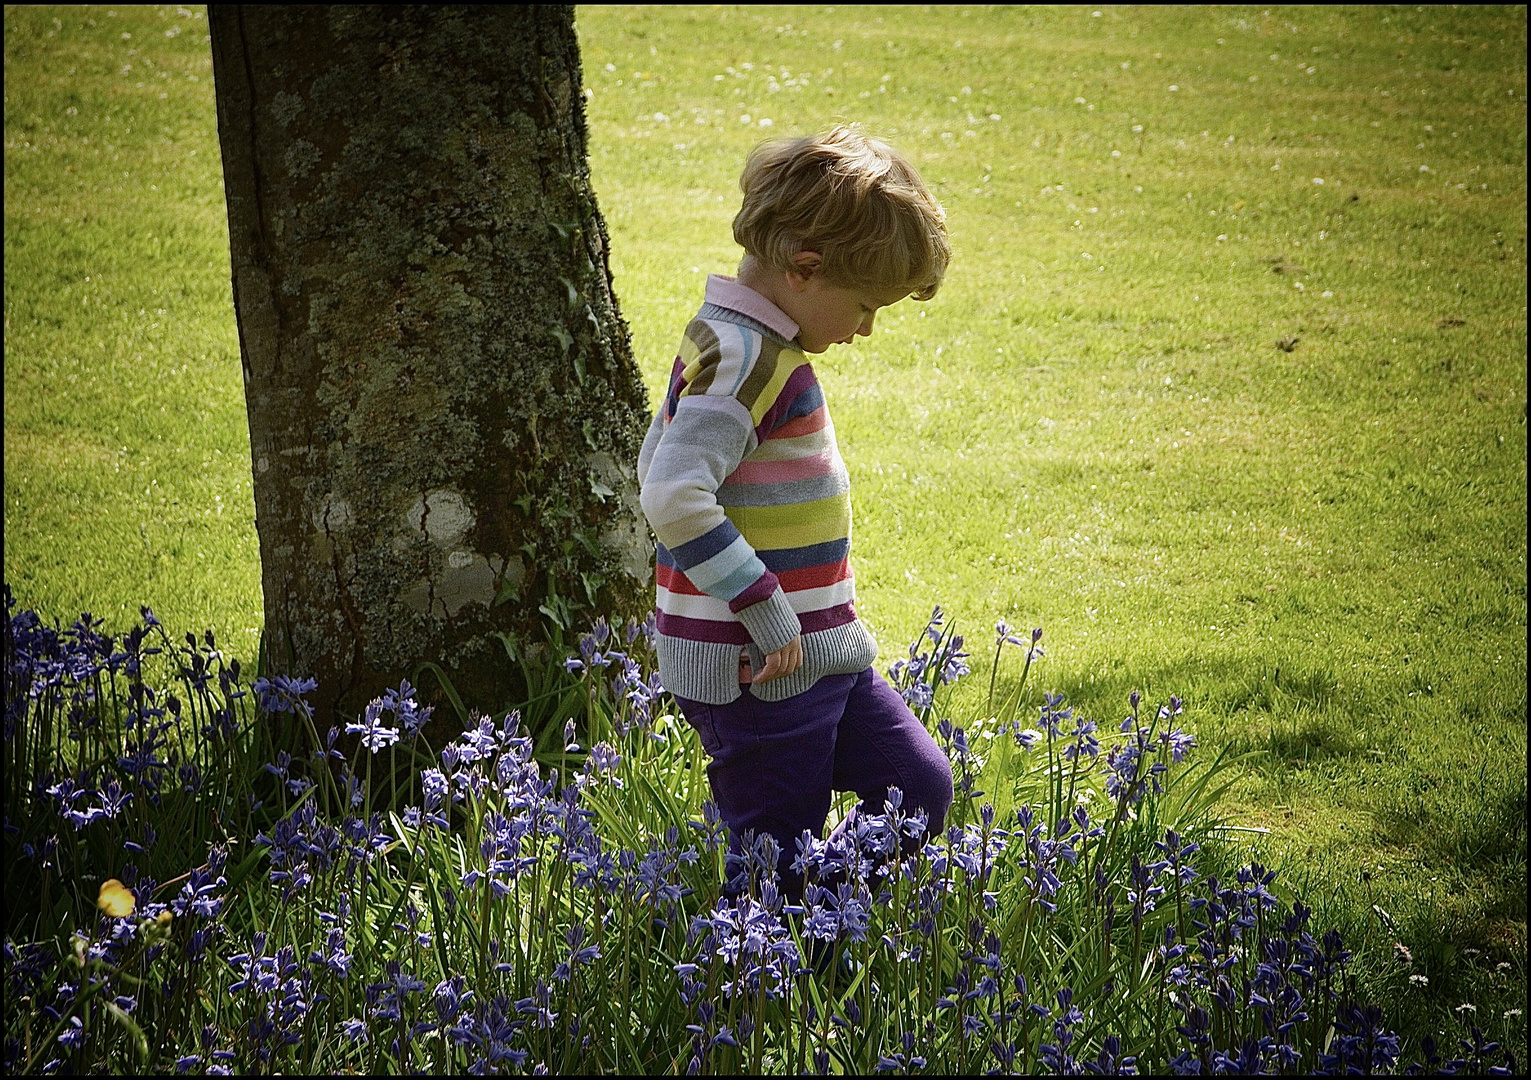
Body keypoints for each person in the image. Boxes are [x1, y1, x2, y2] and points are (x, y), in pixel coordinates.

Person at [636, 124, 954, 901]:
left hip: (819, 653)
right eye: (865, 305)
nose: (866, 328)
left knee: (914, 786)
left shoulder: (748, 345)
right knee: (775, 853)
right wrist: (763, 606)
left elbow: (656, 459)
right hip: (759, 664)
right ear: (805, 268)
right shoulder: (744, 358)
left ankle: (819, 924)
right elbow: (672, 491)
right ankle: (761, 985)